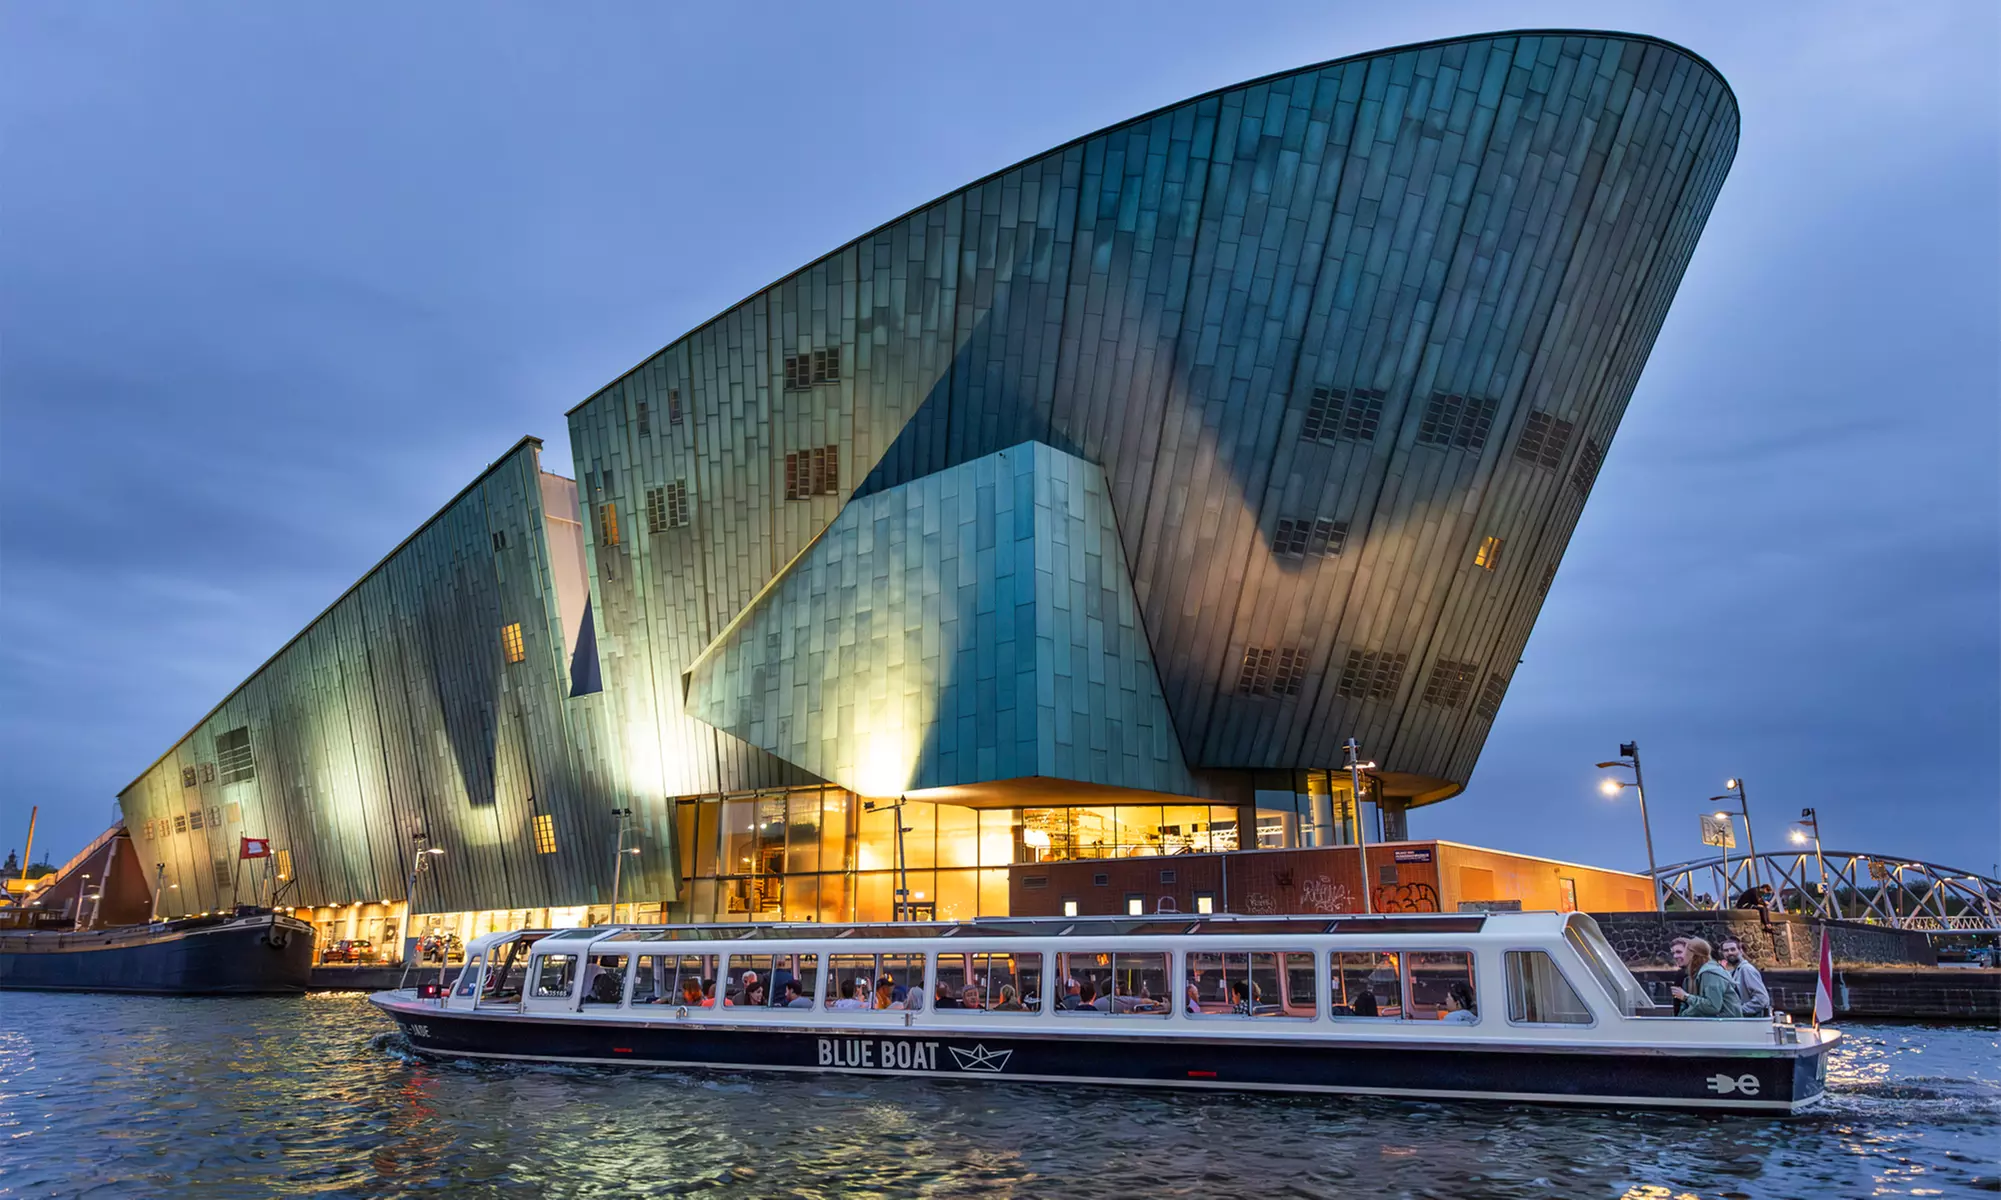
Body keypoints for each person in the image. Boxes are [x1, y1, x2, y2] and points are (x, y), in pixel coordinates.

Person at [1669, 937, 1742, 1017]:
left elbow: (1712, 1006)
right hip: (1715, 1022)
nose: (1675, 956)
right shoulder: (1695, 974)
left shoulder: (1710, 973)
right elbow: (1698, 1007)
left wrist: (1685, 997)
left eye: (1682, 952)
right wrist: (1682, 1016)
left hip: (1726, 1023)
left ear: (1693, 955)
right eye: (1673, 953)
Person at [1718, 938, 1771, 1017]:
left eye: (1733, 949)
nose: (1730, 953)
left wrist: (1739, 1011)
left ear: (1741, 951)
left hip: (1751, 1020)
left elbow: (1762, 999)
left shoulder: (1747, 969)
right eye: (1726, 950)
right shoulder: (1735, 971)